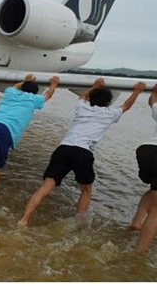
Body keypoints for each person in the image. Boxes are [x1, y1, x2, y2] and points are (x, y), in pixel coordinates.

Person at [20, 78, 145, 227]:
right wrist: (137, 92)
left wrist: (95, 85)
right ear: (108, 102)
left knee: (45, 187)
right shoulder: (110, 113)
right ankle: (78, 223)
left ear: (91, 98)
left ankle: (24, 219)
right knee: (86, 190)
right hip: (83, 152)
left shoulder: (82, 107)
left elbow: (82, 96)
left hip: (64, 148)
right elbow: (126, 105)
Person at [0, 74, 59, 206]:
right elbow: (49, 94)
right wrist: (54, 83)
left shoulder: (10, 92)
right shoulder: (34, 99)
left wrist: (28, 80)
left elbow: (16, 86)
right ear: (35, 92)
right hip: (3, 131)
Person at [132, 83, 157, 252]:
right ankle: (139, 253)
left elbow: (152, 101)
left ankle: (136, 222)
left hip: (147, 151)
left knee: (154, 189)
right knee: (156, 211)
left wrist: (155, 90)